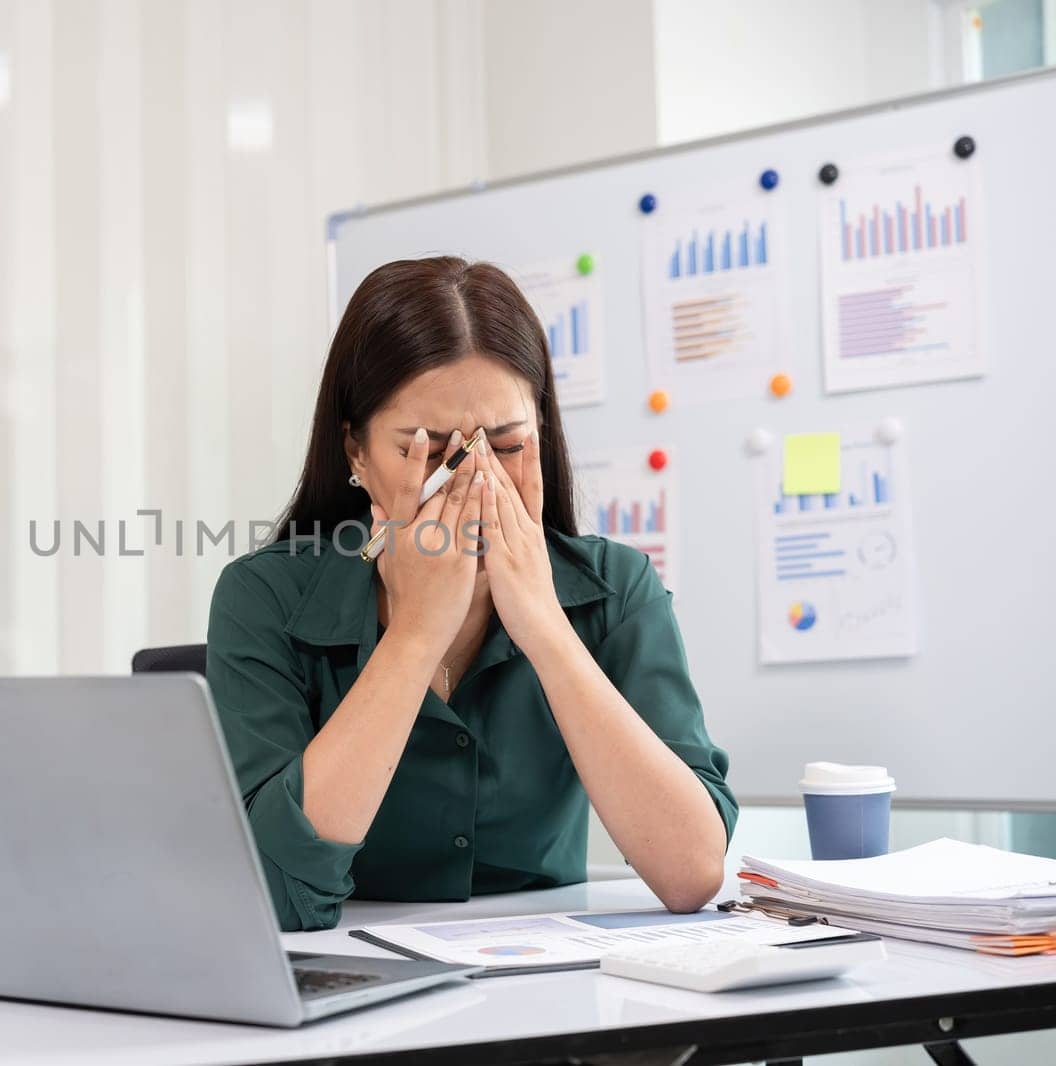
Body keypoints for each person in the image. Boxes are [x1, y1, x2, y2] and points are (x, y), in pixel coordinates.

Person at [206, 257, 736, 932]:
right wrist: (416, 635)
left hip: (551, 988)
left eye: (508, 445)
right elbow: (279, 890)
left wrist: (545, 627)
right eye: (428, 452)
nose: (474, 481)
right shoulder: (264, 599)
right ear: (357, 454)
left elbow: (693, 871)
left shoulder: (616, 591)